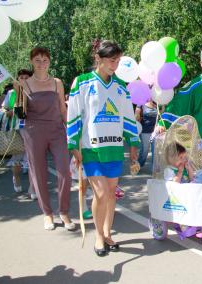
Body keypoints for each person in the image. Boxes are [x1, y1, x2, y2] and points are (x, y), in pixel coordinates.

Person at [67, 39, 140, 257]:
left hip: (114, 148)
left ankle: (108, 233)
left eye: (118, 60)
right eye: (111, 60)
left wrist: (134, 143)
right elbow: (74, 115)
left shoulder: (120, 88)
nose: (115, 64)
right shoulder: (82, 82)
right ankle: (98, 236)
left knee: (110, 193)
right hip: (91, 149)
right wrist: (73, 145)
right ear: (98, 58)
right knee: (99, 193)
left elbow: (128, 117)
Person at [20, 47, 74, 230]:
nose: (41, 64)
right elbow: (21, 113)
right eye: (37, 60)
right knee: (39, 172)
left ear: (49, 62)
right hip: (34, 131)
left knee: (64, 170)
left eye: (45, 60)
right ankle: (47, 214)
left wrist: (71, 130)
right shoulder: (25, 84)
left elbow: (62, 108)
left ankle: (64, 212)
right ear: (31, 62)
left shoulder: (57, 83)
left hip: (57, 129)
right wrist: (19, 99)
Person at [2, 69, 36, 198]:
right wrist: (8, 111)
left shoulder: (34, 91)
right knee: (17, 156)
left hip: (32, 128)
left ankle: (33, 188)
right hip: (16, 128)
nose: (24, 79)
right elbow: (4, 109)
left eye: (26, 77)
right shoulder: (11, 93)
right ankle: (16, 178)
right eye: (21, 77)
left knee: (32, 157)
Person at [135, 99, 160, 167]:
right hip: (145, 130)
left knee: (155, 151)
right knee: (144, 151)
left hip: (155, 131)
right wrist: (137, 113)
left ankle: (154, 169)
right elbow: (136, 117)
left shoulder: (157, 103)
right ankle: (138, 165)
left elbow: (161, 116)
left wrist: (162, 107)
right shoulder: (141, 103)